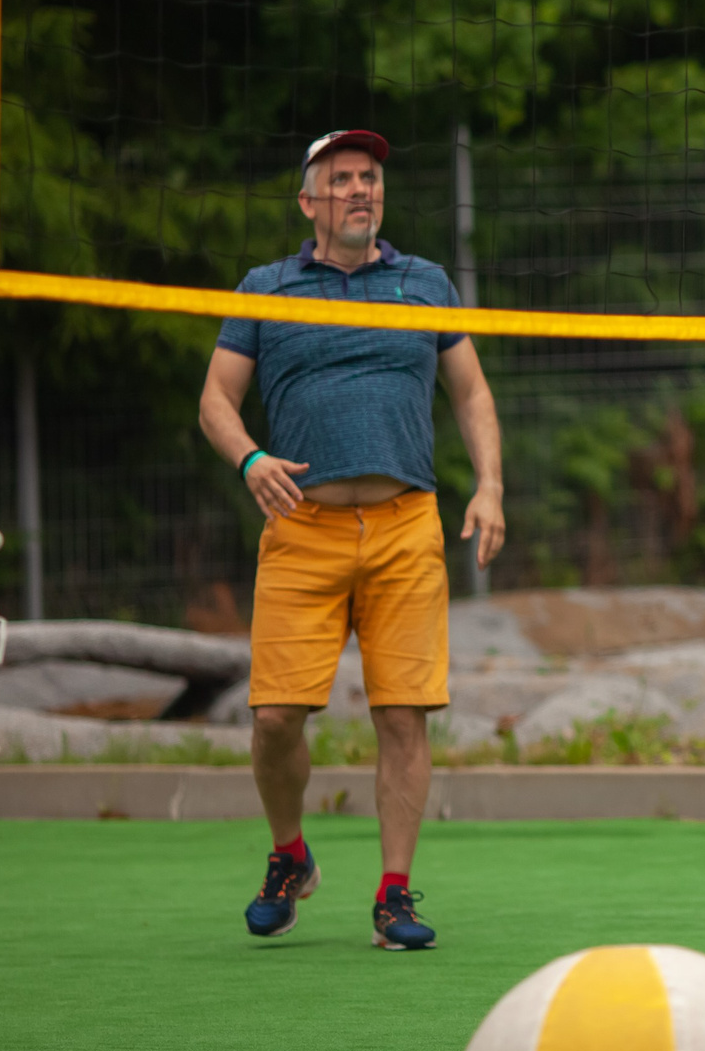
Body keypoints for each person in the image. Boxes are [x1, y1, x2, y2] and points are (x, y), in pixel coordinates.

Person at [198, 128, 507, 949]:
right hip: (302, 527)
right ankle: (289, 854)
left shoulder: (424, 282)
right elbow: (215, 405)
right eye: (342, 179)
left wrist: (492, 485)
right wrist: (251, 457)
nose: (360, 190)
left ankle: (394, 894)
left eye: (369, 177)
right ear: (309, 201)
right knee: (273, 719)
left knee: (404, 716)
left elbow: (472, 394)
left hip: (407, 525)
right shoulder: (267, 289)